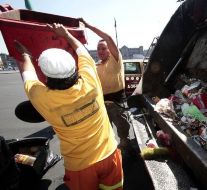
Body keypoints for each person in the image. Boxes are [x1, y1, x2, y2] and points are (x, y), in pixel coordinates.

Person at [14, 23, 123, 190]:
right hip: (110, 155)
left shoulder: (41, 97)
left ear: (46, 75)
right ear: (74, 67)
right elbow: (81, 51)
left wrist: (26, 55)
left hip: (81, 167)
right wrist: (65, 34)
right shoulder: (91, 79)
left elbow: (28, 75)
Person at [79, 18, 131, 148]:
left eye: (103, 48)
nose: (100, 51)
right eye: (98, 49)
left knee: (123, 134)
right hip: (101, 104)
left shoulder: (115, 61)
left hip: (117, 104)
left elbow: (108, 38)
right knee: (105, 134)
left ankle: (126, 153)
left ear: (110, 50)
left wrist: (88, 25)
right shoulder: (96, 66)